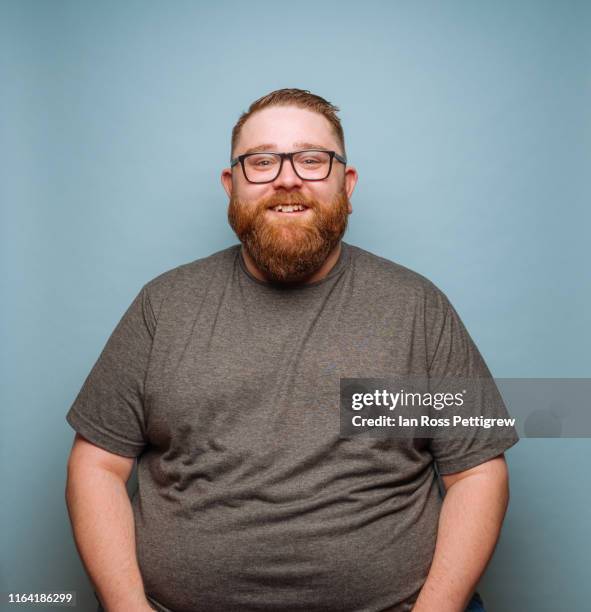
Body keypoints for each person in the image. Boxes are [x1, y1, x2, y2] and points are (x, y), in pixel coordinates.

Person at [65, 89, 518, 612]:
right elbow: (96, 467)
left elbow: (477, 472)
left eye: (311, 159)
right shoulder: (162, 307)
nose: (287, 177)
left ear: (346, 185)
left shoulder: (416, 308)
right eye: (261, 161)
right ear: (231, 186)